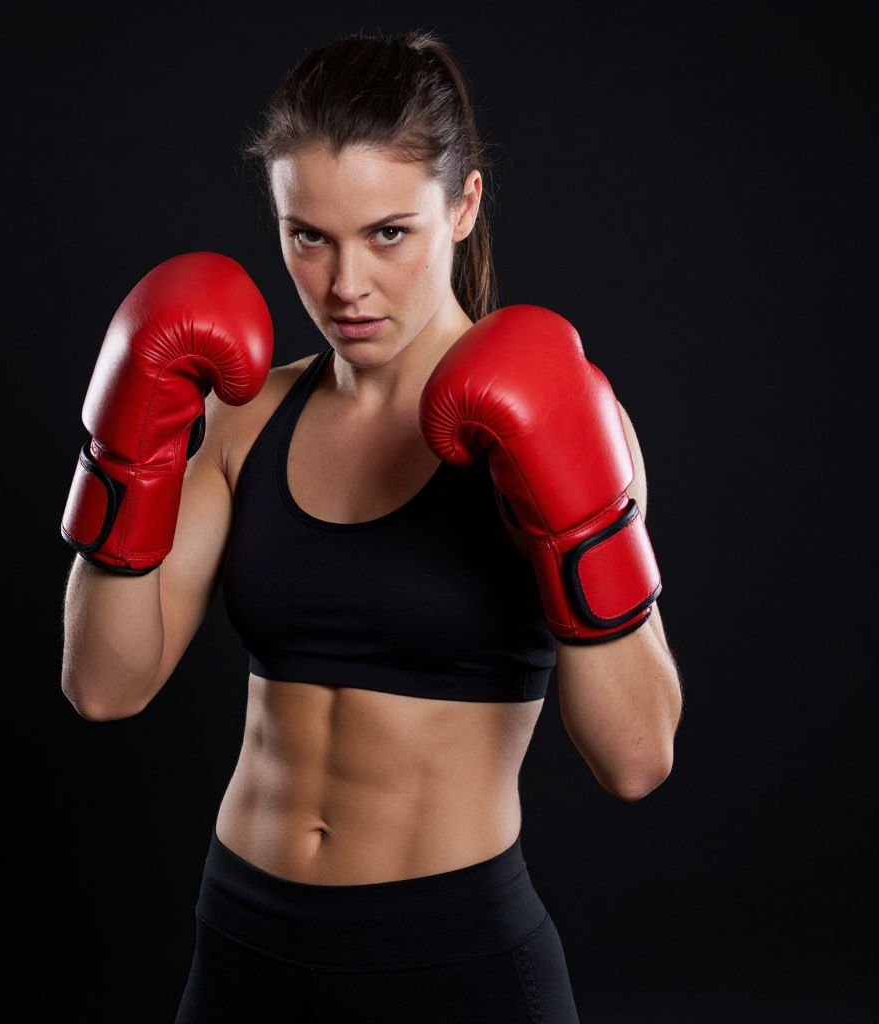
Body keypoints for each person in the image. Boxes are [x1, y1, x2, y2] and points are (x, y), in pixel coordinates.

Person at [59, 28, 684, 1024]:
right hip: (244, 938)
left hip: (454, 958)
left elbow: (636, 757)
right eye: (308, 235)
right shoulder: (244, 418)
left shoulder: (562, 419)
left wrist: (573, 521)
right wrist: (124, 451)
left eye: (387, 233)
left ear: (463, 205)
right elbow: (104, 685)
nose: (344, 284)